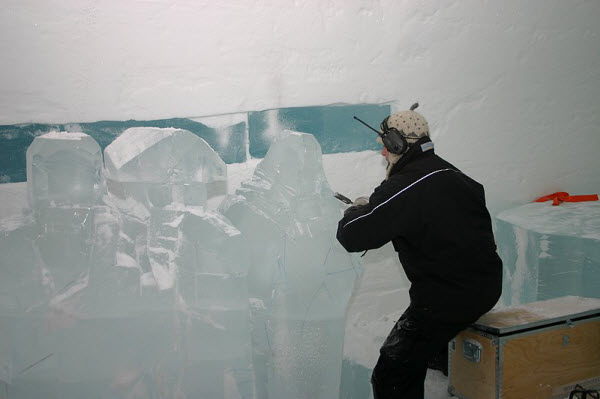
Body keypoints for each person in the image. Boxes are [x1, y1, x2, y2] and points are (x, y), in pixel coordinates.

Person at [336, 103, 502, 398]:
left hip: (443, 299)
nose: (383, 153)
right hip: (485, 286)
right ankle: (444, 362)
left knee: (392, 372)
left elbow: (352, 236)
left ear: (397, 143)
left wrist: (357, 211)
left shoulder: (406, 185)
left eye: (385, 146)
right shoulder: (452, 174)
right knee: (432, 347)